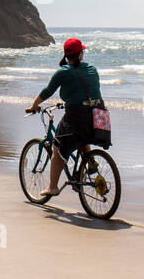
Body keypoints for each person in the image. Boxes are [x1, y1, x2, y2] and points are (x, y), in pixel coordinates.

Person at [25, 37, 103, 197]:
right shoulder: (93, 69)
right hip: (97, 115)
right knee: (82, 135)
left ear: (67, 56)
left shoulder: (63, 72)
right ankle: (90, 161)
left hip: (76, 116)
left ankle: (53, 187)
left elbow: (47, 91)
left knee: (57, 147)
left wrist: (34, 106)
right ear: (80, 54)